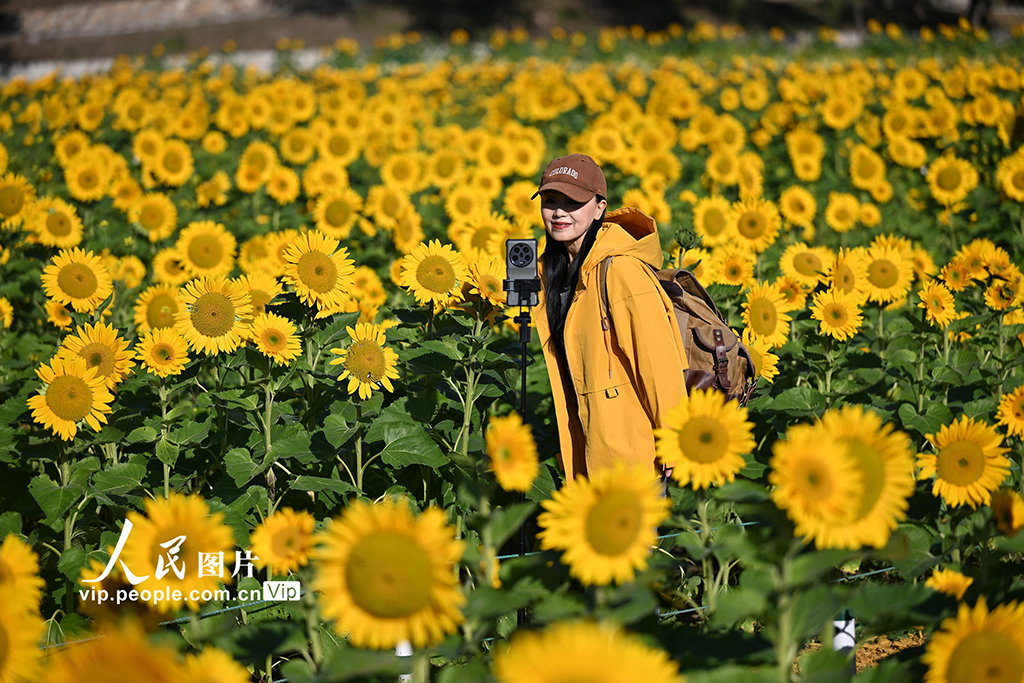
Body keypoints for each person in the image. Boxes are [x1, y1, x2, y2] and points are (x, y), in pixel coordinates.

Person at [532, 153, 690, 481]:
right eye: (550, 200)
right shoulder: (554, 274)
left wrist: (676, 443)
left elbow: (659, 366)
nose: (559, 212)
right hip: (587, 455)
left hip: (632, 463)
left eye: (573, 202)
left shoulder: (620, 271)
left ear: (599, 208)